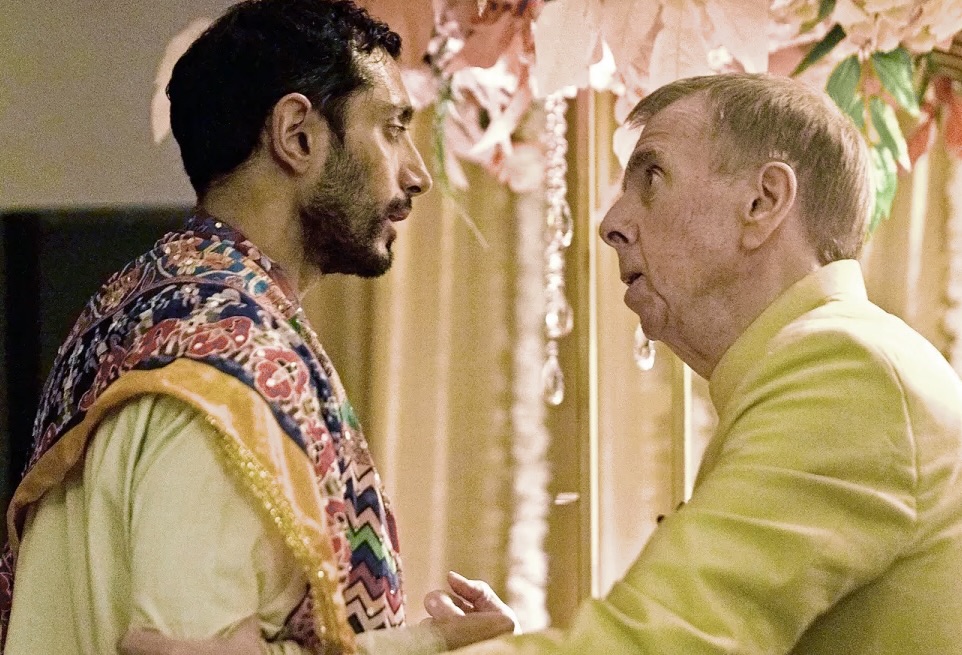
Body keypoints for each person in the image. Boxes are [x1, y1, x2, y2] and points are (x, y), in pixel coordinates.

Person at [0, 1, 516, 653]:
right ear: (297, 135)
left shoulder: (145, 308)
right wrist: (428, 644)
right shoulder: (218, 365)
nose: (417, 174)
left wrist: (433, 637)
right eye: (391, 129)